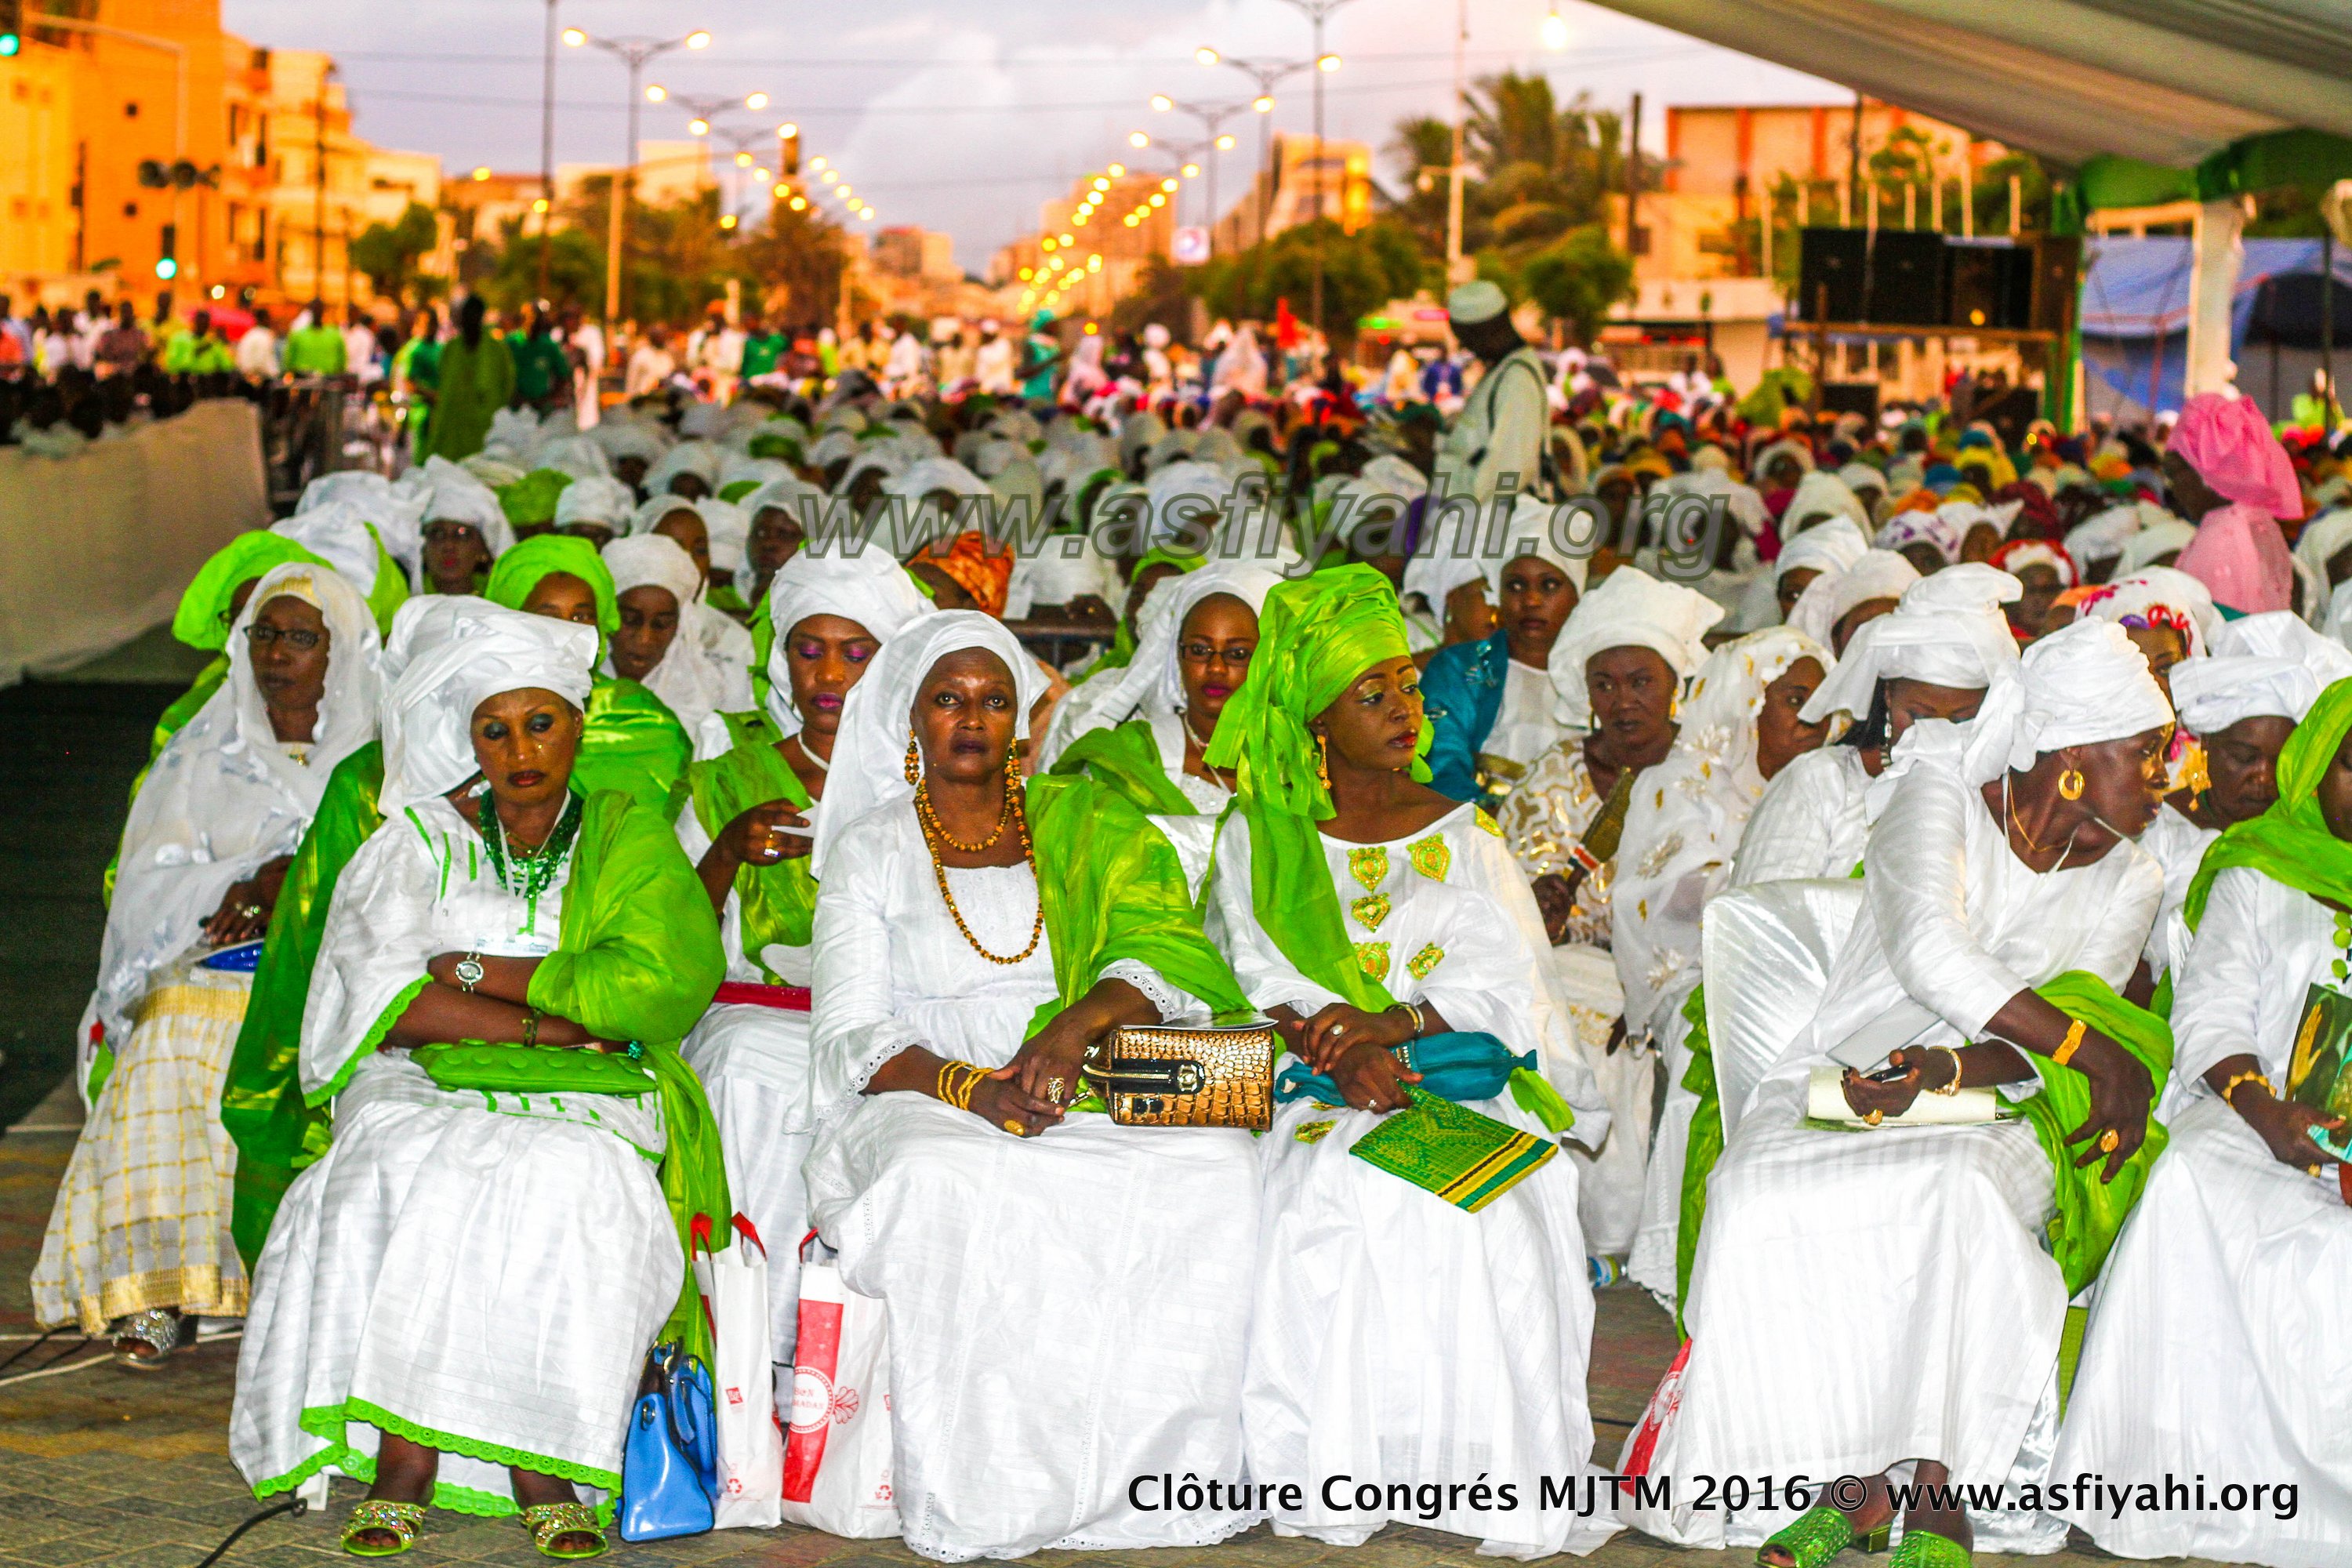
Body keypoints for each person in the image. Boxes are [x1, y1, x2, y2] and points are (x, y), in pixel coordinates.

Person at [1627, 619, 2175, 1565]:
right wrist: (2089, 1052)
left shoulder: (2136, 872)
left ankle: (1926, 1483)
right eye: (2149, 751)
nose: (2168, 776)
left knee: (1958, 1192)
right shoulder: (1939, 790)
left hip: (2003, 1097)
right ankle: (1819, 1472)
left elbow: (2068, 1022)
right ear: (2074, 758)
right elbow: (1931, 953)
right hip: (1849, 1066)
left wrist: (1960, 1070)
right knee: (1755, 1190)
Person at [228, 606, 727, 1559]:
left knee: (574, 1173)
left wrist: (472, 969)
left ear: (577, 724)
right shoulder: (416, 839)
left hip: (592, 1091)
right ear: (468, 736)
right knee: (409, 1161)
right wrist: (558, 1018)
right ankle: (405, 1459)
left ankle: (544, 1458)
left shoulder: (625, 833)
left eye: (541, 722)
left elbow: (658, 983)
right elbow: (388, 1000)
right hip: (422, 1077)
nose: (520, 749)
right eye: (494, 729)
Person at [800, 612, 1264, 1560]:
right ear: (911, 718)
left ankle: (1157, 1480)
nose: (972, 718)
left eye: (995, 699)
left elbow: (1163, 949)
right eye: (948, 698)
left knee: (1215, 1165)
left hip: (1081, 1078)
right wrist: (975, 1088)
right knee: (945, 1179)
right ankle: (991, 1492)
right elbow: (852, 1031)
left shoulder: (1084, 818)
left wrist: (1075, 1022)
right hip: (928, 1093)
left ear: (1019, 720)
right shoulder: (871, 847)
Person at [1196, 565, 1613, 1555]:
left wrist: (1394, 1026)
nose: (1403, 708)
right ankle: (1348, 1464)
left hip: (1453, 1072)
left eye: (1409, 685)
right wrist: (1338, 1047)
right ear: (1317, 719)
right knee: (1335, 1191)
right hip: (1310, 1086)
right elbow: (1248, 977)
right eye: (1371, 693)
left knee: (1487, 1211)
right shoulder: (1261, 839)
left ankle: (1474, 1467)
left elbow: (1513, 987)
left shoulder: (1465, 834)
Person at [34, 564, 382, 1364]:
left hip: (341, 962)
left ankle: (293, 1290)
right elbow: (148, 882)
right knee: (170, 1033)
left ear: (341, 649)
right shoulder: (205, 754)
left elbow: (404, 872)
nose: (277, 653)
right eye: (265, 633)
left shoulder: (379, 758)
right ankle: (162, 1285)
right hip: (222, 958)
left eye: (301, 637)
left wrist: (300, 883)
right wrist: (239, 883)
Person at [2053, 675, 2352, 1566]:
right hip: (2256, 1108)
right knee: (2187, 1178)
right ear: (2318, 767)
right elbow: (2212, 1012)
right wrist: (2267, 1111)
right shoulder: (2256, 868)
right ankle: (2146, 1483)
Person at [673, 547, 935, 1367]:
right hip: (758, 1014)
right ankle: (745, 1354)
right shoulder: (727, 778)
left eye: (856, 651)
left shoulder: (935, 775)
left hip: (896, 1021)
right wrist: (726, 849)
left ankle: (854, 1374)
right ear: (782, 657)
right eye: (808, 649)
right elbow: (670, 938)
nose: (829, 674)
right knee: (750, 1070)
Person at [1495, 567, 1722, 1258]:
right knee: (1563, 1020)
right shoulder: (1556, 773)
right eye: (1605, 684)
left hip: (1688, 967)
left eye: (1641, 681)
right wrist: (1537, 905)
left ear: (1675, 684)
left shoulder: (1711, 768)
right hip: (1578, 964)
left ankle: (1622, 1232)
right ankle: (1561, 1230)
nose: (1622, 701)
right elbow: (1506, 900)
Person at [1611, 627, 1835, 1312]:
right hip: (1701, 972)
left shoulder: (1836, 783)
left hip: (1815, 973)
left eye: (1825, 699)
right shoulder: (1680, 784)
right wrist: (1775, 888)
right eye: (1794, 699)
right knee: (1713, 1047)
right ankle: (1699, 1255)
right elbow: (1674, 902)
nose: (1815, 717)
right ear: (1749, 702)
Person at [1733, 564, 2020, 890]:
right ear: (1888, 696)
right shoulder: (1821, 784)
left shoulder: (2007, 797)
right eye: (1919, 717)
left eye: (1961, 720)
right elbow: (1761, 905)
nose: (1937, 735)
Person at [2130, 612, 2352, 981]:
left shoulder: (2308, 842)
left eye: (2281, 763)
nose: (2263, 778)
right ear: (2207, 743)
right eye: (2244, 757)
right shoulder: (2156, 830)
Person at [1046, 560, 1282, 889]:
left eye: (1238, 654)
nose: (1216, 668)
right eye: (1199, 650)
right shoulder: (1131, 756)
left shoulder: (1295, 759)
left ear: (1267, 660)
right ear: (1177, 656)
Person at [485, 535, 695, 815]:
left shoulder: (640, 715)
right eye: (548, 617)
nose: (569, 632)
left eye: (581, 617)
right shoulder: (480, 716)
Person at [1421, 497, 1587, 807]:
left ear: (1576, 595)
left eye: (1550, 585)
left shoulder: (1597, 676)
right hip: (1474, 827)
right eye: (1516, 586)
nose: (1531, 600)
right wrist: (1493, 823)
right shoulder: (1460, 669)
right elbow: (1441, 764)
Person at [600, 533, 750, 754]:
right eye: (630, 620)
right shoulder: (575, 688)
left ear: (681, 625)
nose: (644, 638)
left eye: (661, 624)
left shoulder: (716, 697)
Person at [1432, 281, 1549, 510]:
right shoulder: (1500, 372)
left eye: (1464, 337)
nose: (1463, 346)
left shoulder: (1516, 379)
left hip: (1496, 523)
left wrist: (1431, 466)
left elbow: (1508, 474)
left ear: (1484, 331)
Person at [420, 297, 514, 463]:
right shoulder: (451, 349)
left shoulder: (498, 351)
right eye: (466, 315)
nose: (469, 319)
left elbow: (508, 387)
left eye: (474, 315)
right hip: (452, 431)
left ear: (481, 316)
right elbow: (443, 387)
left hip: (484, 431)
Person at [281, 303, 348, 377]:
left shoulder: (335, 335)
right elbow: (289, 361)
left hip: (329, 378)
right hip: (303, 378)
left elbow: (342, 361)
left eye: (319, 309)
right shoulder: (298, 335)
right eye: (315, 310)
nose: (317, 312)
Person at [235, 307, 281, 379]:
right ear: (264, 319)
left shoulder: (249, 334)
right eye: (269, 318)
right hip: (260, 377)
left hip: (247, 375)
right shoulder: (263, 336)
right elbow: (261, 362)